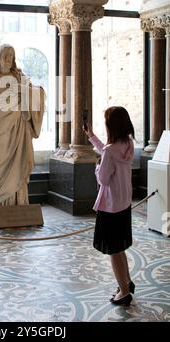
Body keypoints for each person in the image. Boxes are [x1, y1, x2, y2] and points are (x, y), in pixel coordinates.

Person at [0, 44, 45, 207]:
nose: (8, 60)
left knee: (18, 163)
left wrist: (25, 91)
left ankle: (16, 202)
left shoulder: (20, 78)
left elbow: (37, 94)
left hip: (17, 129)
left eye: (11, 57)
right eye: (5, 56)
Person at [83, 106, 135, 306]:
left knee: (114, 251)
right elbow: (107, 150)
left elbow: (103, 178)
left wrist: (97, 166)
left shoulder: (110, 151)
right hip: (124, 204)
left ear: (111, 125)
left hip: (110, 207)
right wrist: (91, 136)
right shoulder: (127, 145)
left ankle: (123, 292)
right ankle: (127, 282)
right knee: (120, 248)